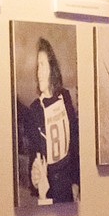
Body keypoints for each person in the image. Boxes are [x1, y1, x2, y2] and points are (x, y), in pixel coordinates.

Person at [26, 38, 79, 203]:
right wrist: (34, 176)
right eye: (37, 67)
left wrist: (76, 181)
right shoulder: (34, 110)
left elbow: (75, 142)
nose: (38, 72)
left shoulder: (65, 98)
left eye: (42, 65)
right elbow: (34, 153)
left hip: (67, 183)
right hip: (48, 187)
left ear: (52, 68)